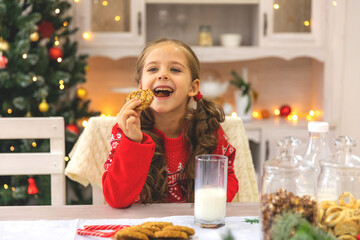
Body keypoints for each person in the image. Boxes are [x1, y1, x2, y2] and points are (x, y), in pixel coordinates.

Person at [102, 38, 239, 208]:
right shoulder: (126, 130)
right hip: (144, 226)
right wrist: (133, 141)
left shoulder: (206, 127)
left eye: (175, 69)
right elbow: (116, 199)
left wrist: (208, 204)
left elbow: (227, 181)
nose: (162, 75)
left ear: (193, 87)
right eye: (153, 69)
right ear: (140, 88)